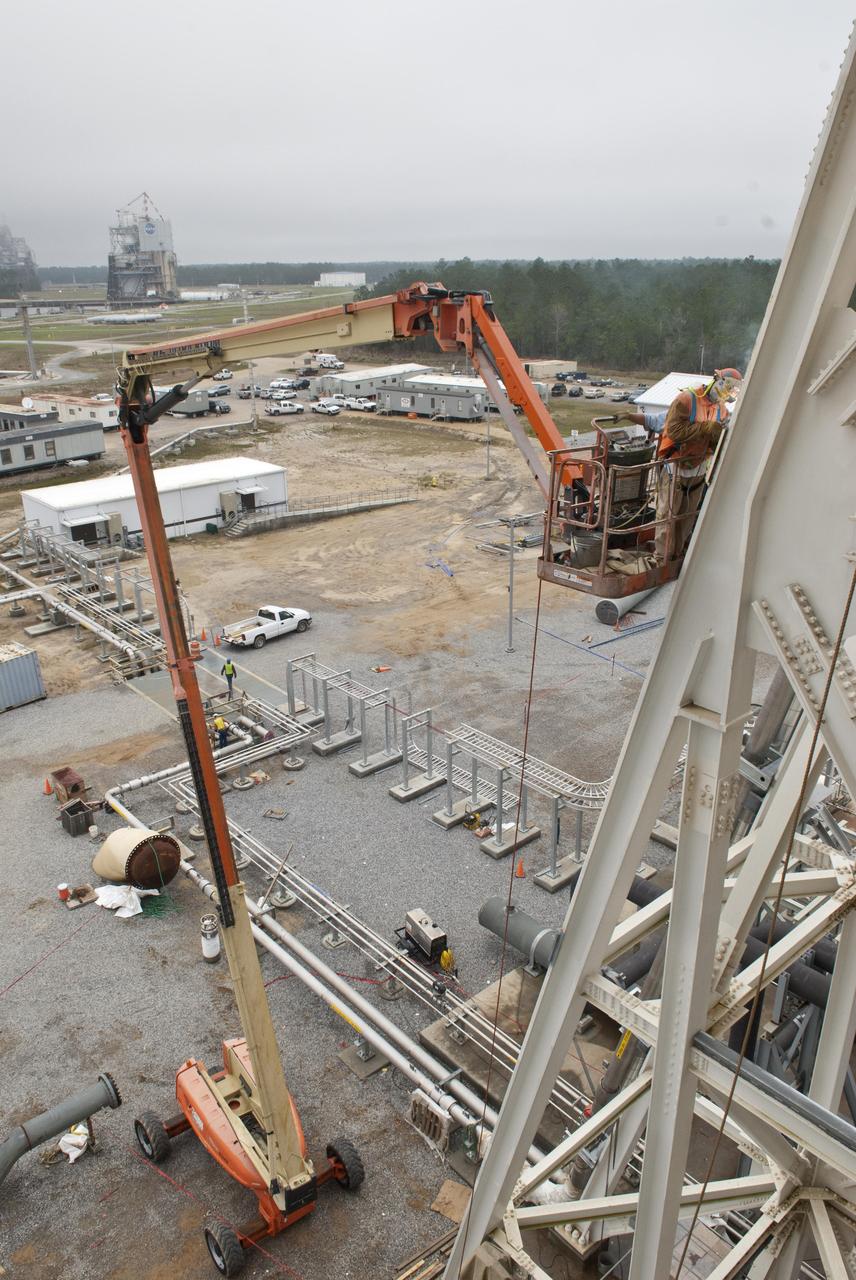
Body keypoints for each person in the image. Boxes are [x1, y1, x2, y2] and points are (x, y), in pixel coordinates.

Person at [619, 368, 742, 560]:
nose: (726, 393)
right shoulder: (687, 400)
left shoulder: (721, 409)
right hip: (675, 466)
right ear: (717, 380)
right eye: (726, 387)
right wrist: (705, 429)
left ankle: (678, 555)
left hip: (699, 467)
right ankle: (662, 557)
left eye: (731, 390)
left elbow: (719, 438)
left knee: (687, 517)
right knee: (668, 515)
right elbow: (673, 430)